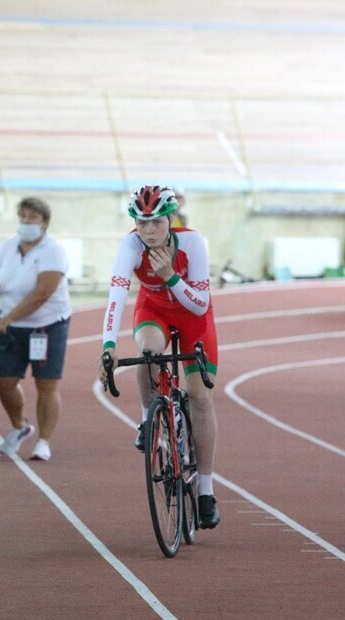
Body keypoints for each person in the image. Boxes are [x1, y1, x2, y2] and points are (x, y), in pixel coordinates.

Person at [96, 185, 222, 529]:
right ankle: (147, 420)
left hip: (192, 314)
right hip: (153, 309)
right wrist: (108, 346)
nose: (149, 231)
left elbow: (199, 303)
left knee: (198, 396)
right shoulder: (131, 245)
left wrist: (170, 276)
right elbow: (116, 296)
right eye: (141, 223)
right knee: (148, 352)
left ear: (170, 219)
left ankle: (207, 491)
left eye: (156, 222)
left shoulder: (194, 243)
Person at [0, 197, 72, 462]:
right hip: (11, 325)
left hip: (47, 326)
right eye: (23, 216)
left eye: (33, 218)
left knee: (46, 384)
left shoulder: (54, 252)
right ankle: (20, 425)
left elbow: (42, 292)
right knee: (4, 380)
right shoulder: (7, 248)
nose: (26, 222)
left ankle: (43, 441)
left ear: (45, 223)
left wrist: (8, 317)